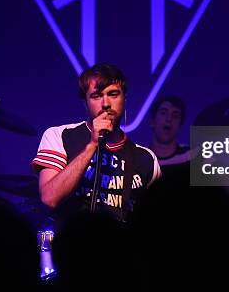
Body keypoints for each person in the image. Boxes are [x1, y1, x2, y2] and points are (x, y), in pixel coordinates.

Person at [32, 64, 161, 224]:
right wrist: (92, 145)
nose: (106, 103)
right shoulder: (60, 136)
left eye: (113, 94)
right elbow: (49, 198)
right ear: (85, 103)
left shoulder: (146, 159)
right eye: (97, 96)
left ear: (124, 99)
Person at [149, 95, 191, 166]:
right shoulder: (137, 159)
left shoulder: (192, 157)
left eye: (175, 116)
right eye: (163, 113)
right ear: (152, 122)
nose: (169, 119)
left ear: (180, 125)